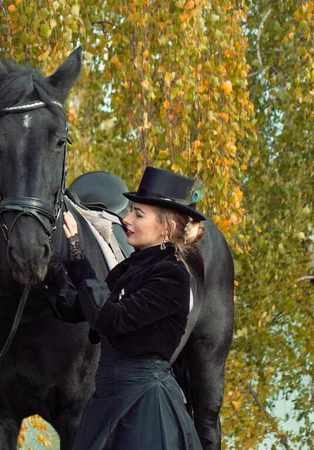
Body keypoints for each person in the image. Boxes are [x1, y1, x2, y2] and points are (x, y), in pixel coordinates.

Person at [52, 166, 206, 450]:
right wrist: (51, 268)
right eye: (130, 210)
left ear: (167, 228)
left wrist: (76, 252)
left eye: (138, 213)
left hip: (145, 406)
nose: (126, 219)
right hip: (107, 402)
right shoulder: (129, 268)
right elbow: (76, 308)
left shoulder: (172, 276)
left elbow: (109, 318)